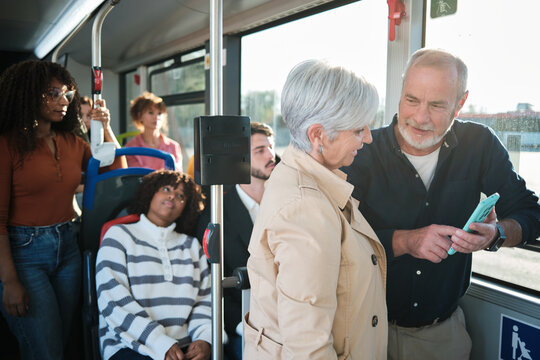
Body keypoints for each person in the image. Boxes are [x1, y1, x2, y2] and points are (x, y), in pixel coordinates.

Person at [342, 48, 540, 360]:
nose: (420, 117)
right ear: (401, 89)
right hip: (363, 330)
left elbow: (530, 213)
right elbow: (334, 238)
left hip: (442, 337)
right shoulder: (362, 149)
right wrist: (405, 241)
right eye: (411, 100)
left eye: (436, 105)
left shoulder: (480, 145)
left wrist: (497, 234)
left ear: (461, 103)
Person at [244, 60, 387, 359]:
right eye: (359, 129)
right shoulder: (305, 207)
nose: (369, 138)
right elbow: (308, 346)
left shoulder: (294, 174)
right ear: (318, 135)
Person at [0, 59, 125, 360]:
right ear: (27, 95)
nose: (63, 101)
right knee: (46, 350)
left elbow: (116, 172)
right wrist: (10, 281)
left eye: (67, 94)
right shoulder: (7, 146)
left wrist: (105, 127)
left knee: (63, 341)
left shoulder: (72, 142)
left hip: (68, 246)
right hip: (24, 253)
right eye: (52, 93)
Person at [96, 170, 211, 360]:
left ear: (186, 207)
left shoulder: (192, 246)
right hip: (129, 346)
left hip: (185, 350)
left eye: (181, 195)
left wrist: (204, 339)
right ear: (151, 193)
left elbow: (205, 301)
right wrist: (159, 343)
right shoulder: (118, 236)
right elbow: (113, 300)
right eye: (166, 189)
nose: (172, 196)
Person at [195, 121, 277, 360]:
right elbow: (213, 285)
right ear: (240, 160)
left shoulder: (286, 203)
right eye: (260, 151)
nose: (271, 155)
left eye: (270, 147)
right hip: (244, 318)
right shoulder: (216, 215)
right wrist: (244, 326)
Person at [124, 92, 183, 170]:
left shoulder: (174, 146)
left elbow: (177, 175)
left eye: (159, 113)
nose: (156, 117)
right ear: (140, 116)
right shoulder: (130, 148)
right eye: (151, 113)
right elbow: (134, 177)